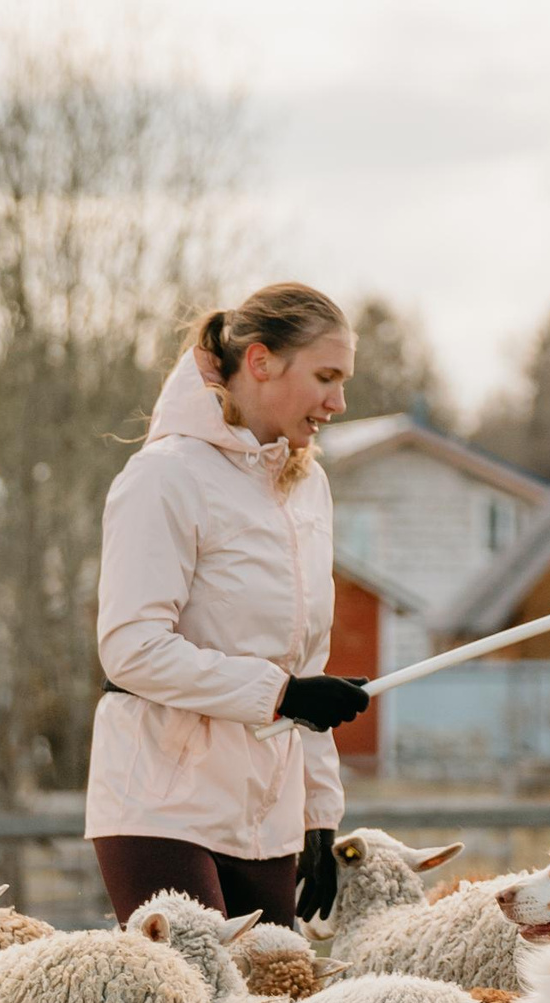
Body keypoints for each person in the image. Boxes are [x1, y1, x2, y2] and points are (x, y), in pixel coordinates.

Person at [86, 282, 371, 929]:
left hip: (263, 818)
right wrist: (281, 694)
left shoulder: (308, 488)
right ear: (262, 362)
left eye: (343, 380)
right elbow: (132, 648)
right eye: (325, 376)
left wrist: (319, 814)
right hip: (160, 806)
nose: (339, 401)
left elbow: (308, 664)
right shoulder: (164, 476)